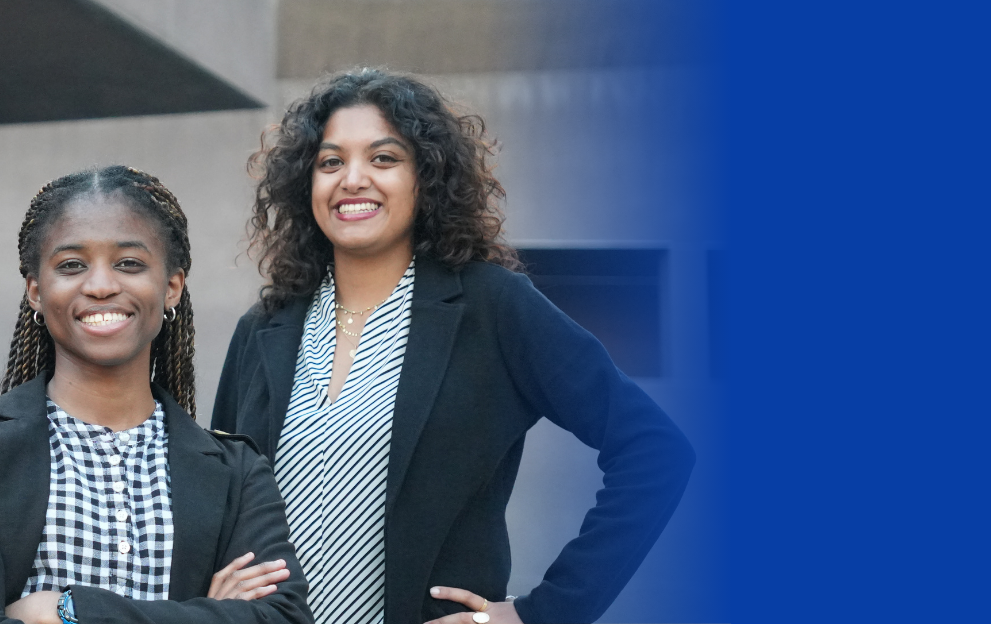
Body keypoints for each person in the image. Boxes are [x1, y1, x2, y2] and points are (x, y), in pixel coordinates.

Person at [215, 68, 696, 624]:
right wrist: (214, 592)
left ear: (426, 177)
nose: (353, 179)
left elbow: (654, 451)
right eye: (330, 162)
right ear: (307, 183)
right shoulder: (264, 328)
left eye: (384, 158)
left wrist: (538, 614)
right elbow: (224, 497)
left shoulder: (491, 307)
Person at [0, 166, 309, 624]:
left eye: (129, 264)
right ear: (36, 292)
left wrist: (69, 611)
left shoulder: (237, 471)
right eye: (71, 265)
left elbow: (284, 618)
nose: (101, 286)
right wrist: (209, 615)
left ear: (172, 287)